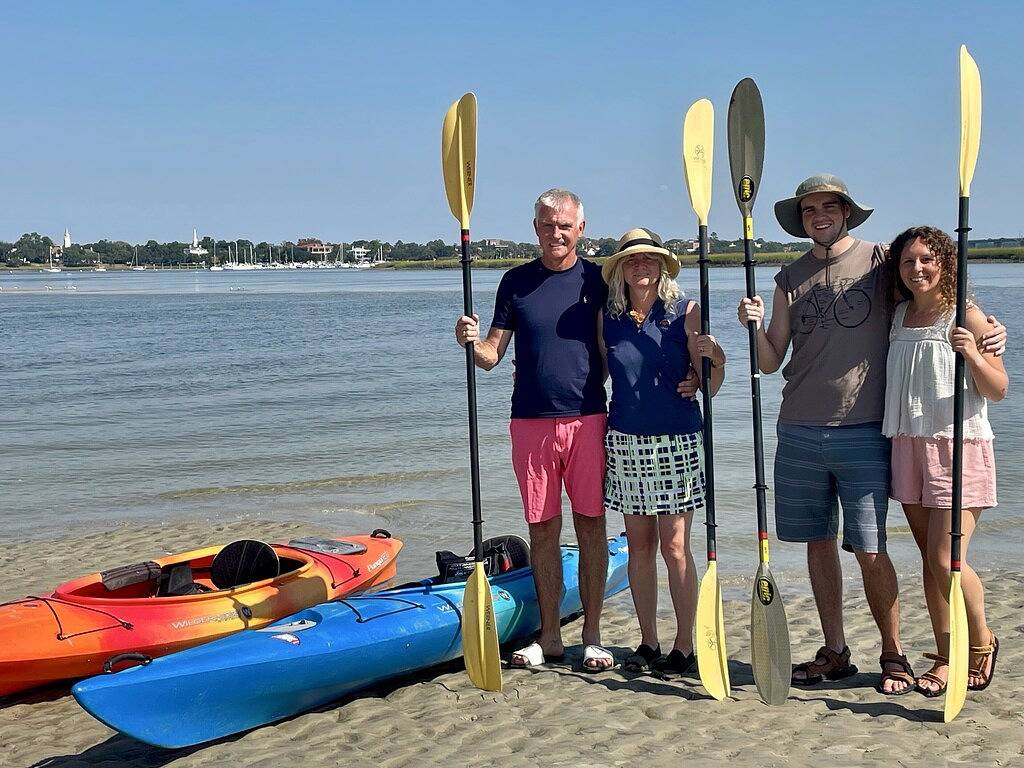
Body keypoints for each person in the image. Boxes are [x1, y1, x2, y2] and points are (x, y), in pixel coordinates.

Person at [736, 174, 1006, 695]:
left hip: (865, 430)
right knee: (817, 544)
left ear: (846, 212)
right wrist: (753, 326)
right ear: (801, 219)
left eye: (829, 206)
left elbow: (939, 293)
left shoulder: (884, 260)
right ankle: (835, 651)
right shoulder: (788, 278)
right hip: (798, 429)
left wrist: (990, 330)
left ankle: (894, 654)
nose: (819, 215)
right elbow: (770, 362)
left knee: (871, 547)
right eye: (809, 209)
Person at [455, 189, 686, 672]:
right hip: (529, 422)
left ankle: (593, 635)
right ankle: (550, 637)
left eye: (564, 225)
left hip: (589, 419)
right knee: (542, 529)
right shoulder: (515, 281)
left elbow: (633, 339)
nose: (555, 233)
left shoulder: (599, 280)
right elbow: (492, 355)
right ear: (535, 228)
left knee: (591, 525)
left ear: (580, 228)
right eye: (547, 224)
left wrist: (690, 374)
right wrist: (471, 343)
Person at [882, 226, 1006, 696]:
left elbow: (998, 388)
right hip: (908, 444)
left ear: (946, 263)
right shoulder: (898, 314)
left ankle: (982, 642)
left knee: (945, 557)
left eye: (927, 259)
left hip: (958, 445)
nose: (917, 268)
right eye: (908, 261)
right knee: (930, 562)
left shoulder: (967, 316)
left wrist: (973, 351)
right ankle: (946, 656)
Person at [597, 228, 725, 675]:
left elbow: (710, 385)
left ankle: (685, 644)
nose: (641, 266)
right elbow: (597, 374)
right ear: (620, 269)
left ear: (662, 266)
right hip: (626, 439)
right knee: (639, 547)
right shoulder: (608, 316)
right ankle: (648, 640)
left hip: (677, 439)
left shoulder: (686, 311)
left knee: (675, 546)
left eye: (649, 258)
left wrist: (716, 360)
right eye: (631, 259)